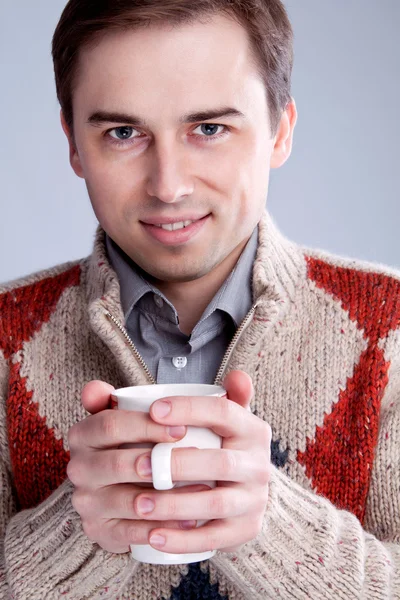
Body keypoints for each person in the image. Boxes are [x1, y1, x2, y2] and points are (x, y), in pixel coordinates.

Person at [1, 0, 399, 598]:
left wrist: (269, 523)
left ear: (280, 130)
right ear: (74, 144)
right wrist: (79, 527)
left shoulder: (390, 329)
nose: (170, 185)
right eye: (123, 133)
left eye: (209, 129)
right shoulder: (4, 340)